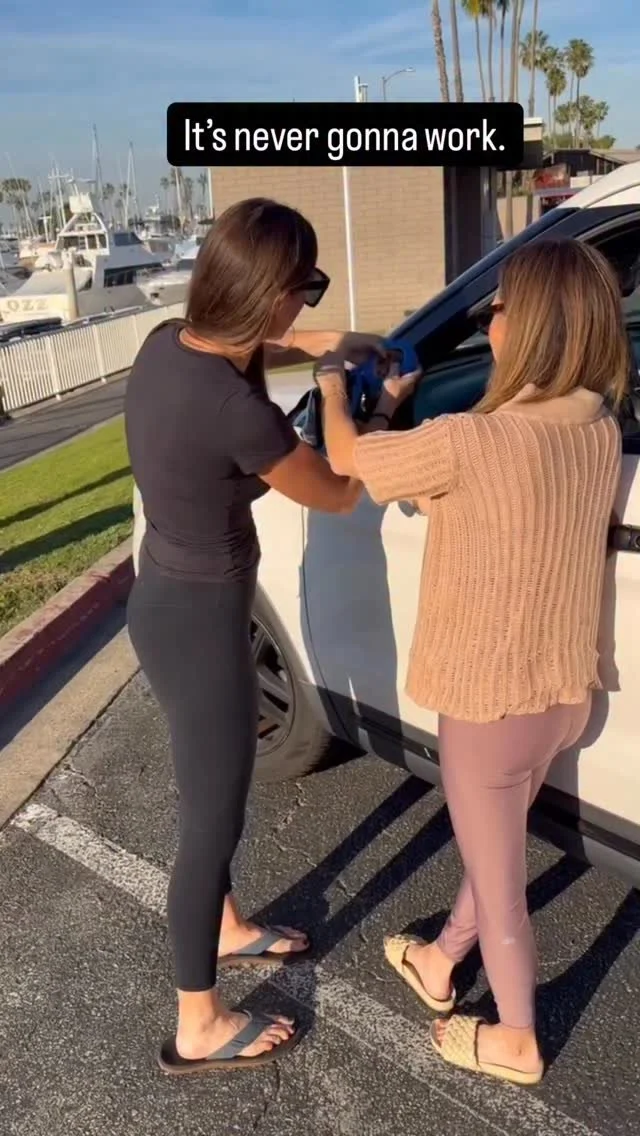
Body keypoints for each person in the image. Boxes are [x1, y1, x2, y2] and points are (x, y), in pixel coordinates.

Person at [315, 238, 627, 1086]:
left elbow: (344, 458)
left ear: (527, 327)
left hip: (489, 703)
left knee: (502, 883)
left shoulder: (470, 439)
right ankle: (442, 960)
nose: (490, 319)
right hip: (564, 691)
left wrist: (337, 387)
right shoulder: (599, 428)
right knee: (496, 845)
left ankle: (516, 1037)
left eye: (498, 306)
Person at [125, 197, 416, 1075]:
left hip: (168, 602)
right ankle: (198, 1024)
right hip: (202, 625)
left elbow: (263, 346)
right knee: (210, 818)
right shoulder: (237, 411)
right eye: (307, 287)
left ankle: (224, 926)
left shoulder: (168, 344)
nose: (308, 302)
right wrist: (358, 403)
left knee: (214, 793)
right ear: (266, 294)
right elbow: (338, 491)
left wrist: (336, 342)